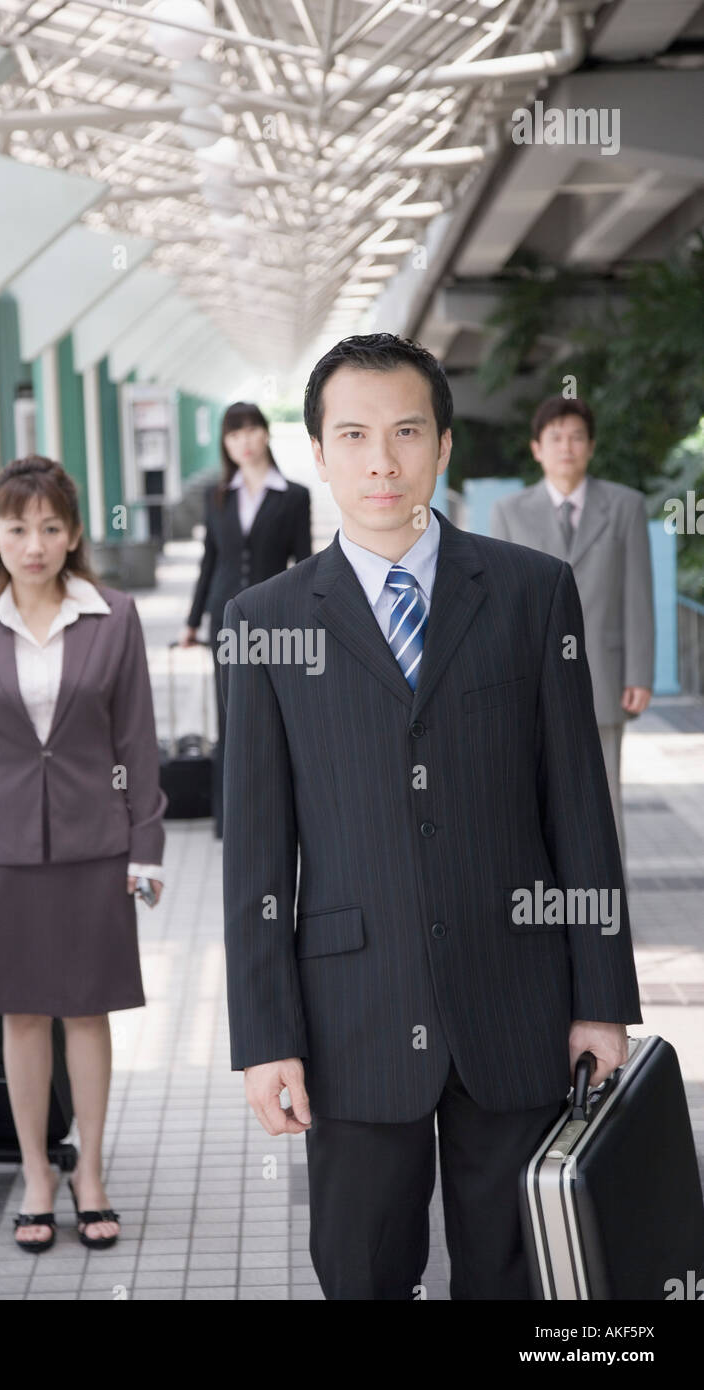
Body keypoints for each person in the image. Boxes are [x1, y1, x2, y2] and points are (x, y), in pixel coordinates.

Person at [220, 334, 642, 1300]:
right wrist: (264, 1035)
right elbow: (254, 855)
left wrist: (600, 1000)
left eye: (406, 431)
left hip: (519, 1005)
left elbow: (578, 808)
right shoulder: (265, 620)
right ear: (317, 453)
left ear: (443, 446)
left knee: (514, 1278)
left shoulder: (533, 593)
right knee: (361, 1274)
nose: (382, 460)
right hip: (351, 1019)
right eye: (354, 434)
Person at [0, 456, 167, 1253]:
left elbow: (137, 740)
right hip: (1, 852)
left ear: (74, 534)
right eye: (18, 528)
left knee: (87, 1011)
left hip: (95, 844)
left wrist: (147, 846)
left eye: (50, 527)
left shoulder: (113, 616)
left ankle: (89, 1170)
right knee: (21, 1015)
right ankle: (37, 1172)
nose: (34, 543)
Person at [490, 397, 654, 862]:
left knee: (604, 800)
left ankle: (609, 910)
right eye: (555, 437)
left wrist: (639, 673)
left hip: (603, 677)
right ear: (536, 448)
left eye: (577, 437)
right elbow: (502, 602)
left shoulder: (625, 506)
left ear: (592, 447)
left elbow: (638, 594)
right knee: (530, 798)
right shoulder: (509, 512)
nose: (567, 447)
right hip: (528, 679)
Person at [179, 401, 312, 838]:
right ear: (225, 443)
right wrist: (192, 620)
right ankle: (230, 816)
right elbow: (209, 559)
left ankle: (280, 811)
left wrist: (311, 617)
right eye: (234, 434)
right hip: (225, 619)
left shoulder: (294, 496)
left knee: (280, 710)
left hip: (276, 618)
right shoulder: (217, 496)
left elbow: (304, 561)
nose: (244, 441)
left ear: (266, 433)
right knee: (230, 711)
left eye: (251, 430)